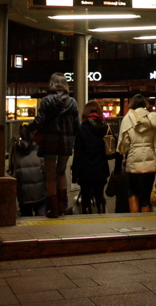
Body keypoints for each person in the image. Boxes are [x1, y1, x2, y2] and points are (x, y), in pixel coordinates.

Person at [30, 72, 80, 218]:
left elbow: (39, 121)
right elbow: (77, 126)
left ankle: (54, 209)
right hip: (65, 143)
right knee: (61, 172)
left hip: (49, 142)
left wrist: (28, 128)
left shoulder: (46, 101)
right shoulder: (72, 102)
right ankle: (62, 205)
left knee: (50, 175)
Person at [118, 93, 156, 213]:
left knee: (132, 189)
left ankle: (134, 217)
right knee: (147, 192)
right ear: (145, 104)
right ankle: (146, 218)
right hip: (150, 162)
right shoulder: (152, 118)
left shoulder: (128, 118)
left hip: (133, 161)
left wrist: (123, 151)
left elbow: (124, 142)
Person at [72, 101, 110, 213]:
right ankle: (101, 211)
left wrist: (75, 174)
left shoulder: (81, 129)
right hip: (101, 170)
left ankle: (87, 217)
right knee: (99, 195)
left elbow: (78, 154)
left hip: (85, 171)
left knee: (86, 198)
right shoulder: (105, 127)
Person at [9, 122, 46, 216]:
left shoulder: (16, 148)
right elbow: (45, 168)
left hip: (23, 192)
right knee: (41, 214)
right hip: (40, 192)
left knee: (26, 216)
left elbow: (11, 167)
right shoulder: (40, 147)